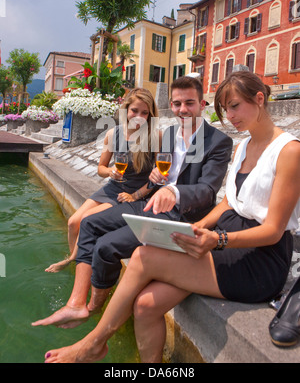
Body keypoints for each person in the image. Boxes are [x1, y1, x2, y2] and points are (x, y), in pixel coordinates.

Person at [37, 70, 300, 363]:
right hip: (218, 235)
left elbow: (274, 230)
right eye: (225, 108)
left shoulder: (288, 151)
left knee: (142, 256)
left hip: (258, 257)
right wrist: (198, 228)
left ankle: (94, 343)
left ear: (260, 99)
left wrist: (217, 238)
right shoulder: (244, 146)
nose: (229, 115)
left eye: (235, 106)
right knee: (146, 305)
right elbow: (228, 202)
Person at [32, 75, 233, 330]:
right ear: (170, 105)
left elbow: (207, 190)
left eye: (189, 103)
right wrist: (155, 180)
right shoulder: (168, 134)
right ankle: (75, 303)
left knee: (106, 246)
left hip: (182, 215)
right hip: (152, 204)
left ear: (202, 104)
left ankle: (94, 308)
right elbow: (154, 170)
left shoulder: (218, 141)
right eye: (177, 103)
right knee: (89, 224)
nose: (182, 109)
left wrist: (172, 191)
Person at [45, 87, 159, 272]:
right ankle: (77, 259)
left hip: (130, 193)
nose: (139, 116)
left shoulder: (155, 137)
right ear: (126, 110)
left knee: (87, 220)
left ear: (150, 114)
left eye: (145, 113)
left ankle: (73, 260)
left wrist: (136, 195)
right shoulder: (113, 134)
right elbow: (100, 168)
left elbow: (159, 177)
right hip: (113, 187)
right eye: (135, 111)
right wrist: (110, 172)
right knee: (73, 222)